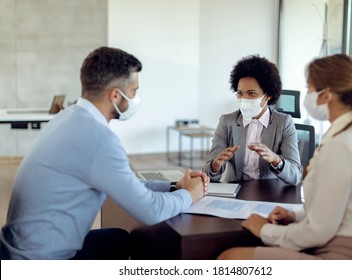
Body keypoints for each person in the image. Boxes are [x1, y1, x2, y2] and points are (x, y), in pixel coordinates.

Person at [0, 46, 208, 260]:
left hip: (15, 249)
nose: (135, 98)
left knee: (117, 239)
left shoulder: (67, 117)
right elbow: (151, 210)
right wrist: (190, 194)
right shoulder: (98, 139)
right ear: (116, 96)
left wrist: (175, 186)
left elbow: (126, 183)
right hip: (40, 262)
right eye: (134, 91)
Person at [218, 54, 352, 260]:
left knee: (230, 259)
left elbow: (318, 230)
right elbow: (334, 208)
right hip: (340, 241)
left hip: (345, 253)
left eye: (308, 88)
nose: (305, 95)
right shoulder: (348, 135)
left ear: (326, 96)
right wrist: (295, 215)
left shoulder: (342, 145)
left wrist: (265, 230)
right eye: (240, 93)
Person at [202, 55, 302, 185]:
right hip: (236, 191)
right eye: (240, 93)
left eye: (251, 93)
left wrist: (276, 159)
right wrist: (215, 165)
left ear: (268, 96)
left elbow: (295, 176)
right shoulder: (227, 121)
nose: (244, 99)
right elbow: (207, 174)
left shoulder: (284, 123)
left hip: (270, 193)